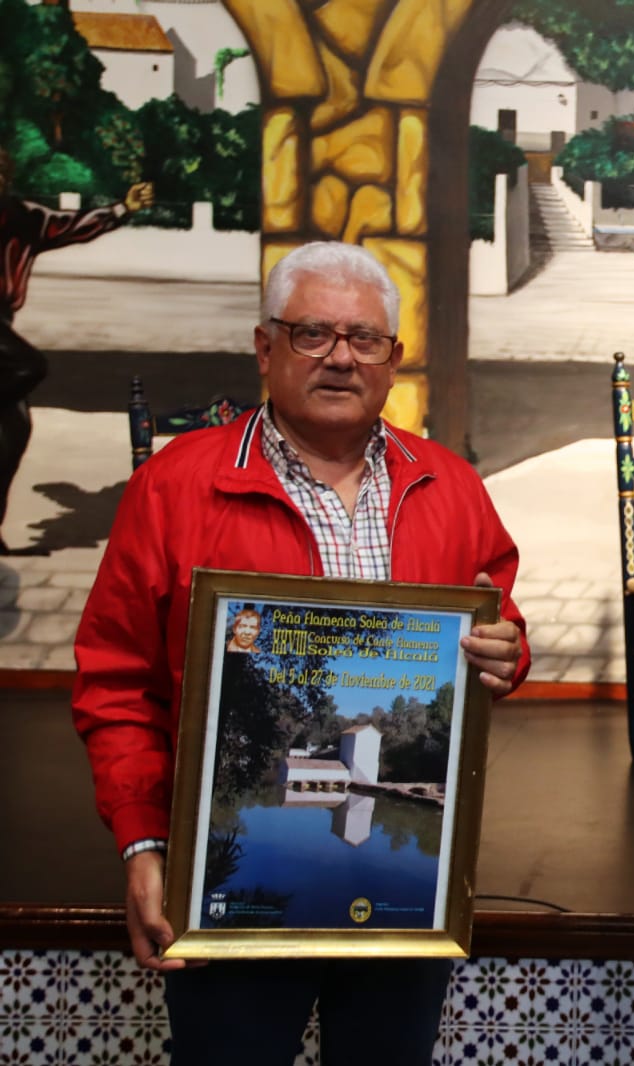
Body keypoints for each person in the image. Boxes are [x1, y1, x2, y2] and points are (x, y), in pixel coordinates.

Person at [72, 241, 531, 1066]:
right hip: (233, 873)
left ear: (393, 358)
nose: (341, 358)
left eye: (365, 339)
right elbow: (116, 686)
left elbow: (499, 628)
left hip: (400, 878)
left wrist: (506, 652)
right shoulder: (175, 488)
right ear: (265, 347)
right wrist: (144, 845)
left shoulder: (451, 485)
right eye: (313, 333)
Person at [0, 146, 155, 553]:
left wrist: (123, 208)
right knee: (30, 365)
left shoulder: (22, 218)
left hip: (1, 323)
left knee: (15, 431)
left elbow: (71, 225)